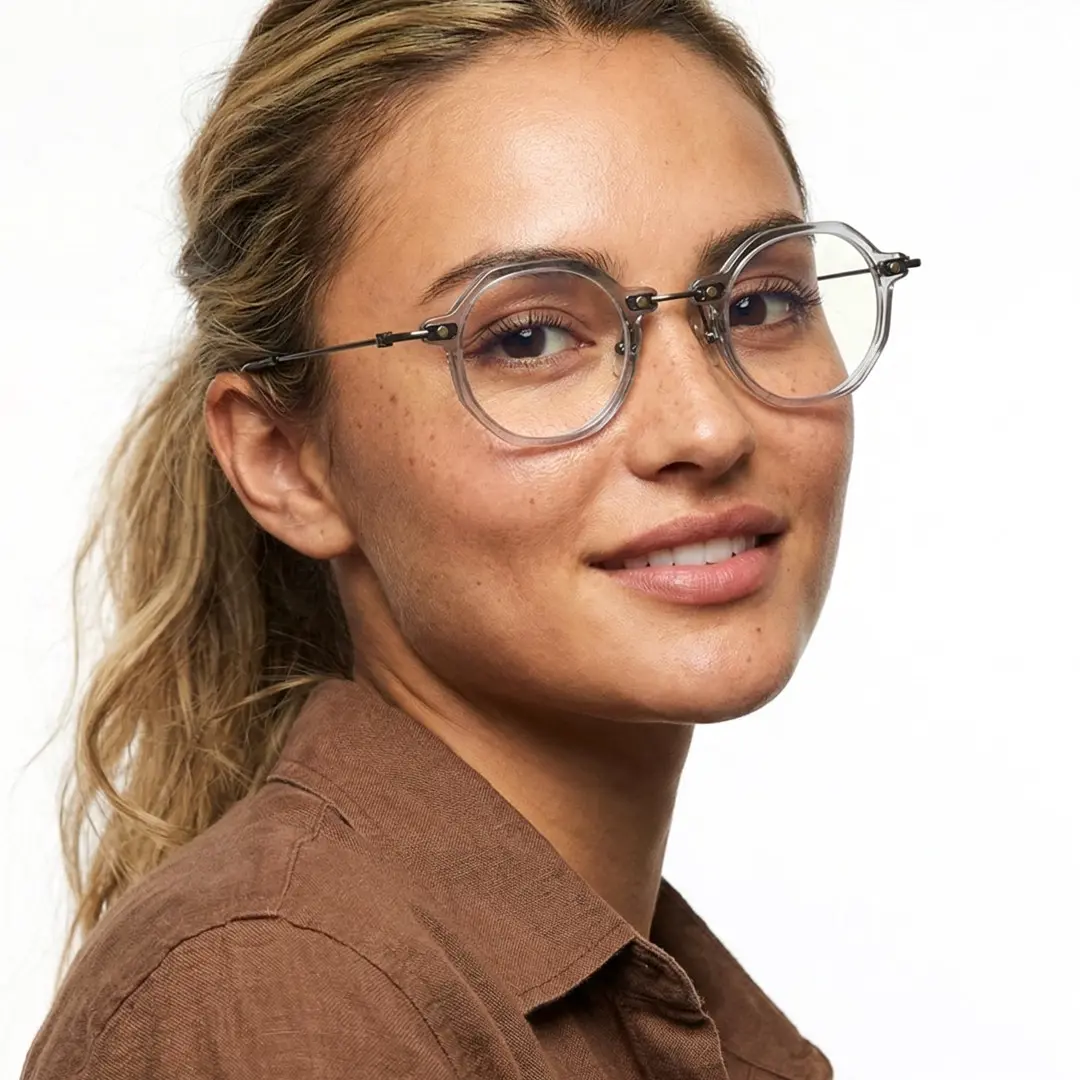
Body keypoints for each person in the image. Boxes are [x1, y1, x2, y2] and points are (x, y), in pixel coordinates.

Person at [21, 1, 919, 1078]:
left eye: (760, 301)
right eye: (529, 336)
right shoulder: (280, 994)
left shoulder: (611, 999)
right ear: (285, 460)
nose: (707, 426)